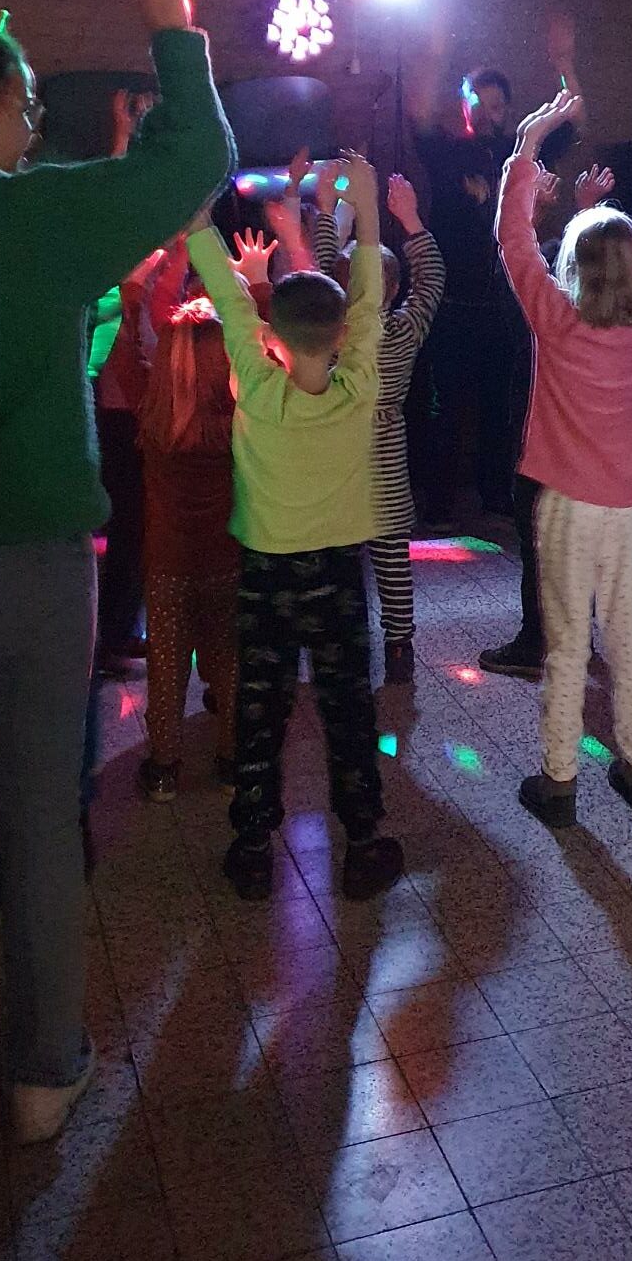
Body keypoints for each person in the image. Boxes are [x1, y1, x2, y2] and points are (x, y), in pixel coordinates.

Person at [0, 0, 233, 1145]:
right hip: (29, 558)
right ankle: (42, 1073)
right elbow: (193, 161)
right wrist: (171, 25)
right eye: (25, 103)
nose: (33, 130)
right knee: (37, 816)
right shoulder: (27, 219)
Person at [187, 152, 404, 904]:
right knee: (349, 708)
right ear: (339, 334)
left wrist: (198, 222)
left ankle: (252, 847)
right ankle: (363, 841)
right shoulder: (359, 384)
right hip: (338, 573)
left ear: (272, 334)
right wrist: (368, 211)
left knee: (260, 708)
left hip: (265, 573)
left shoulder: (255, 383)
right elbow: (370, 305)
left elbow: (229, 299)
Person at [498, 90, 632, 829]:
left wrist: (527, 145)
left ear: (576, 267)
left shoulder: (556, 319)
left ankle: (559, 781)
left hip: (565, 504)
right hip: (627, 506)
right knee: (626, 640)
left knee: (565, 646)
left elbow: (513, 243)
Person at [479, 162, 615, 682]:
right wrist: (581, 211)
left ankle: (538, 642)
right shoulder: (612, 316)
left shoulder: (548, 314)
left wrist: (528, 216)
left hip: (542, 441)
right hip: (589, 446)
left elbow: (516, 271)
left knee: (540, 543)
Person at [312, 169, 446, 685]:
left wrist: (328, 210)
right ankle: (399, 649)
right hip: (387, 475)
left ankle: (342, 649)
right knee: (393, 565)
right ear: (392, 289)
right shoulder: (404, 330)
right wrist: (410, 221)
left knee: (340, 565)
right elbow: (431, 281)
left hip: (338, 472)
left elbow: (325, 270)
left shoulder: (332, 336)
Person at [136, 291, 240, 801]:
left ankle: (164, 769)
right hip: (226, 558)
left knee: (167, 666)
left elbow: (131, 354)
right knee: (231, 661)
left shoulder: (153, 422)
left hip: (167, 562)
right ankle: (231, 761)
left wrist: (135, 295)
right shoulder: (238, 425)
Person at [416, 66, 523, 527]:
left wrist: (564, 66)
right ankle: (439, 503)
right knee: (445, 407)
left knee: (499, 406)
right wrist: (432, 54)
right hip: (451, 302)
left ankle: (496, 497)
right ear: (465, 104)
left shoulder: (516, 152)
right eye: (477, 103)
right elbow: (419, 118)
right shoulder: (446, 150)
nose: (485, 114)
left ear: (506, 109)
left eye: (495, 106)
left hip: (500, 302)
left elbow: (572, 124)